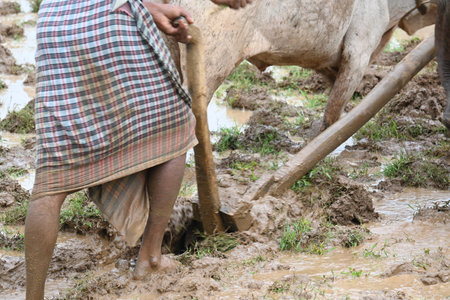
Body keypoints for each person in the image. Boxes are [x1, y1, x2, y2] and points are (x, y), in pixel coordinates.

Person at [24, 0, 252, 299]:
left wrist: (149, 8)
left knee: (51, 184)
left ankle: (33, 296)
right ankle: (150, 257)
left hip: (56, 23)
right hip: (110, 19)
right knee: (175, 127)